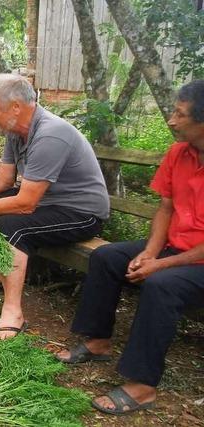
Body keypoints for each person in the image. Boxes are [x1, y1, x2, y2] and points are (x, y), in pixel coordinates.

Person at [55, 80, 204, 415]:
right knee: (107, 257)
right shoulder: (178, 153)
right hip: (176, 248)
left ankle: (142, 386)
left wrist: (160, 266)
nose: (171, 120)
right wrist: (151, 252)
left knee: (161, 286)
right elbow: (165, 208)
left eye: (180, 115)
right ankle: (97, 341)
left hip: (197, 262)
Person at [0, 73, 109, 340]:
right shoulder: (16, 132)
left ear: (15, 107)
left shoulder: (51, 134)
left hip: (82, 213)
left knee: (11, 225)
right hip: (50, 202)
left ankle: (13, 313)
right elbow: (3, 179)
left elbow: (26, 204)